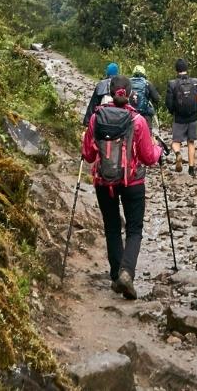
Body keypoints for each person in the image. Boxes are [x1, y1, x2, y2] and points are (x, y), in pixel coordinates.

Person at [82, 84, 162, 298]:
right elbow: (148, 157)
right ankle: (126, 273)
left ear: (110, 92)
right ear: (129, 94)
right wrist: (159, 149)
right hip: (133, 182)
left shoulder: (96, 119)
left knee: (112, 227)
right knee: (134, 229)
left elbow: (89, 154)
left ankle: (117, 274)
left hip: (103, 181)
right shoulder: (138, 121)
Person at [165, 58, 197, 174]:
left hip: (179, 118)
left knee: (175, 141)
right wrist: (196, 110)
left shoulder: (172, 84)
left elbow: (168, 103)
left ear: (176, 70)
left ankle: (178, 154)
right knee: (191, 142)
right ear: (186, 69)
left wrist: (173, 112)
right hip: (193, 117)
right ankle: (191, 168)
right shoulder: (195, 82)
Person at [127, 64, 164, 131]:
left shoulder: (128, 82)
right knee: (147, 133)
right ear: (144, 73)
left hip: (130, 114)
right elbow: (157, 99)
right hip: (145, 114)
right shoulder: (147, 83)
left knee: (130, 134)